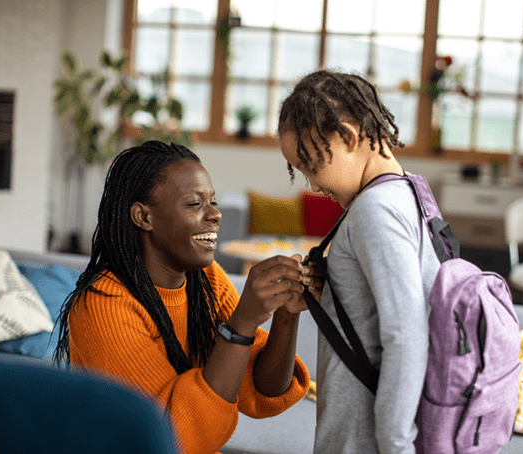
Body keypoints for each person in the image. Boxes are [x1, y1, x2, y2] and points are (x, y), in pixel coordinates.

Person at [54, 140, 322, 454]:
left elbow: (263, 392)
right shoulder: (103, 305)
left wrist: (287, 314)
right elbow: (168, 438)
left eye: (213, 202)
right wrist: (241, 324)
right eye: (195, 204)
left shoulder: (206, 281)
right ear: (144, 217)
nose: (215, 215)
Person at [277, 70, 442, 454]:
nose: (314, 186)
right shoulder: (410, 192)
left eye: (312, 166)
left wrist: (396, 445)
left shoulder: (375, 211)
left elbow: (407, 336)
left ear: (349, 137)